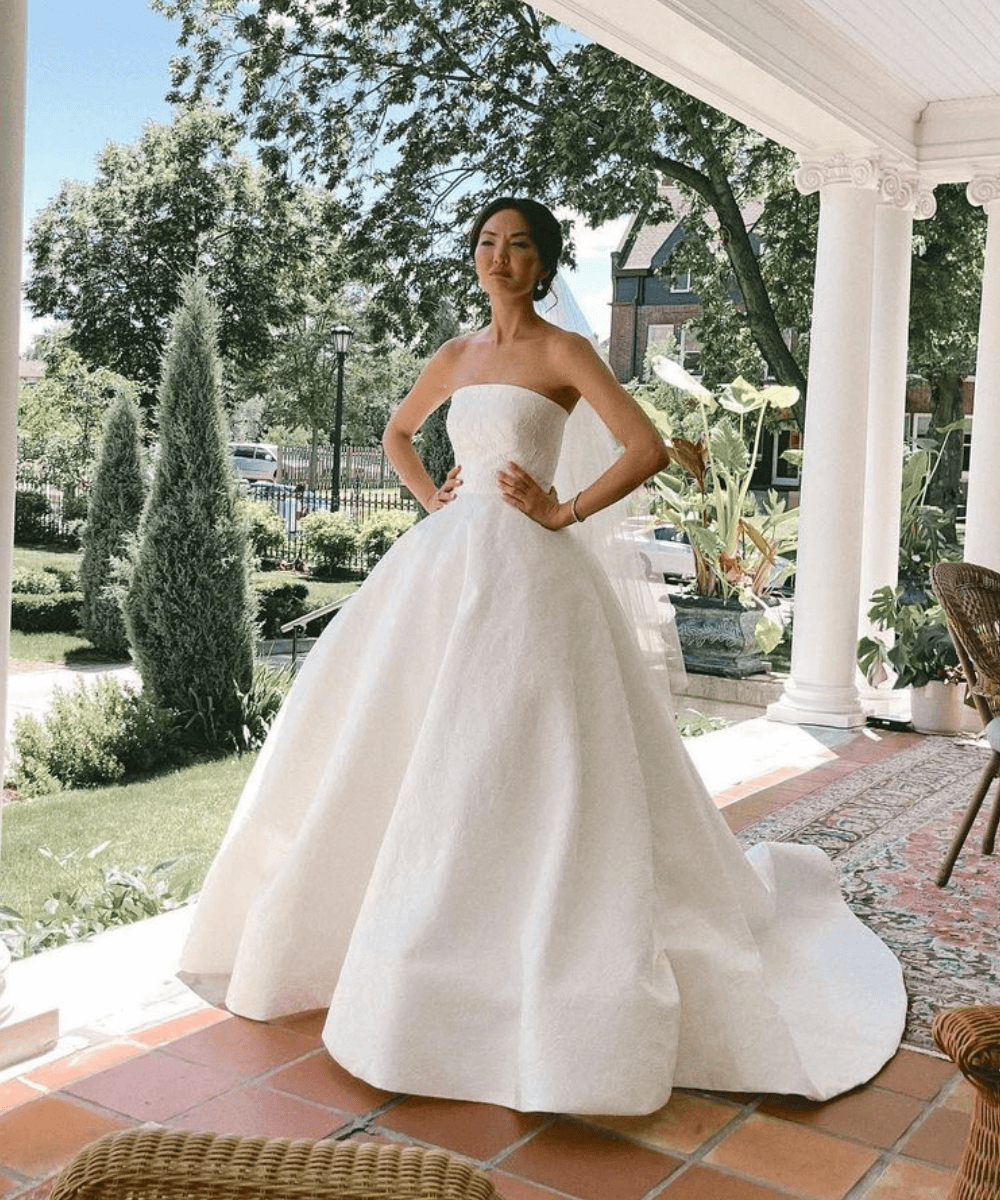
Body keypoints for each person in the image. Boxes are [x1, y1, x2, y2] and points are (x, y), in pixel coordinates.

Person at [179, 197, 905, 1116]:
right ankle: (383, 947)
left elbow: (643, 446)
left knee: (527, 753)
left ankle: (520, 954)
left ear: (546, 260)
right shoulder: (453, 355)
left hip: (531, 574)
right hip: (443, 569)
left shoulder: (564, 350)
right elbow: (397, 434)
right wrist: (430, 496)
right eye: (487, 244)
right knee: (408, 741)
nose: (500, 258)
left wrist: (565, 509)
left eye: (519, 246)